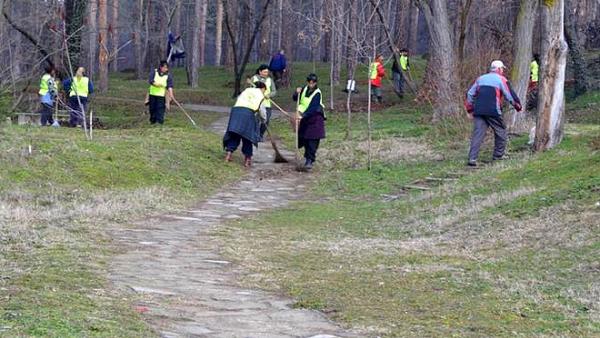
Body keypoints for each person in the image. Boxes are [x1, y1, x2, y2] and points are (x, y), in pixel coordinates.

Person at [464, 60, 522, 167]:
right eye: (502, 69)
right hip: (493, 110)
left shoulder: (480, 78)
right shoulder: (501, 79)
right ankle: (498, 155)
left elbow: (470, 94)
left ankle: (472, 158)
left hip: (479, 111)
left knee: (478, 134)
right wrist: (518, 106)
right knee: (501, 131)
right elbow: (510, 95)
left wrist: (470, 109)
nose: (503, 71)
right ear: (499, 69)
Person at [223, 82, 267, 167]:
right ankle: (247, 159)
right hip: (247, 113)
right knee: (247, 136)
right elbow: (262, 111)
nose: (264, 92)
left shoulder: (246, 91)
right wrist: (264, 120)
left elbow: (239, 102)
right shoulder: (260, 95)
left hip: (236, 112)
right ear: (262, 88)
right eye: (264, 90)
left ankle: (228, 154)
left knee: (235, 134)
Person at [293, 73, 326, 170]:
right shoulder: (304, 89)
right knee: (304, 139)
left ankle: (309, 160)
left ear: (316, 83)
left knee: (312, 141)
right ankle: (305, 156)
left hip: (315, 119)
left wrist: (302, 115)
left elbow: (313, 108)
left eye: (313, 83)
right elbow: (296, 99)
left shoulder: (317, 93)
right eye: (309, 83)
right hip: (304, 118)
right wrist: (296, 92)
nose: (311, 84)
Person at [250, 64, 277, 141]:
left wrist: (269, 95)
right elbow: (249, 90)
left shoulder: (270, 80)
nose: (266, 73)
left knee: (266, 121)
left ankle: (261, 134)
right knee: (256, 120)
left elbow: (274, 91)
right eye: (264, 72)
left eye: (267, 72)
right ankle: (256, 135)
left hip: (267, 104)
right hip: (256, 104)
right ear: (260, 71)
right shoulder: (254, 78)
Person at [148, 60, 175, 125]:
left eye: (167, 68)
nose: (166, 69)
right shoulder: (154, 72)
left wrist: (171, 95)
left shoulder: (168, 76)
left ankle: (159, 122)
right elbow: (151, 81)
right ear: (161, 67)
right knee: (152, 109)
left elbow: (170, 86)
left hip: (162, 96)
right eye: (165, 67)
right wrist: (157, 84)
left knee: (160, 109)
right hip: (152, 94)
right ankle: (153, 121)